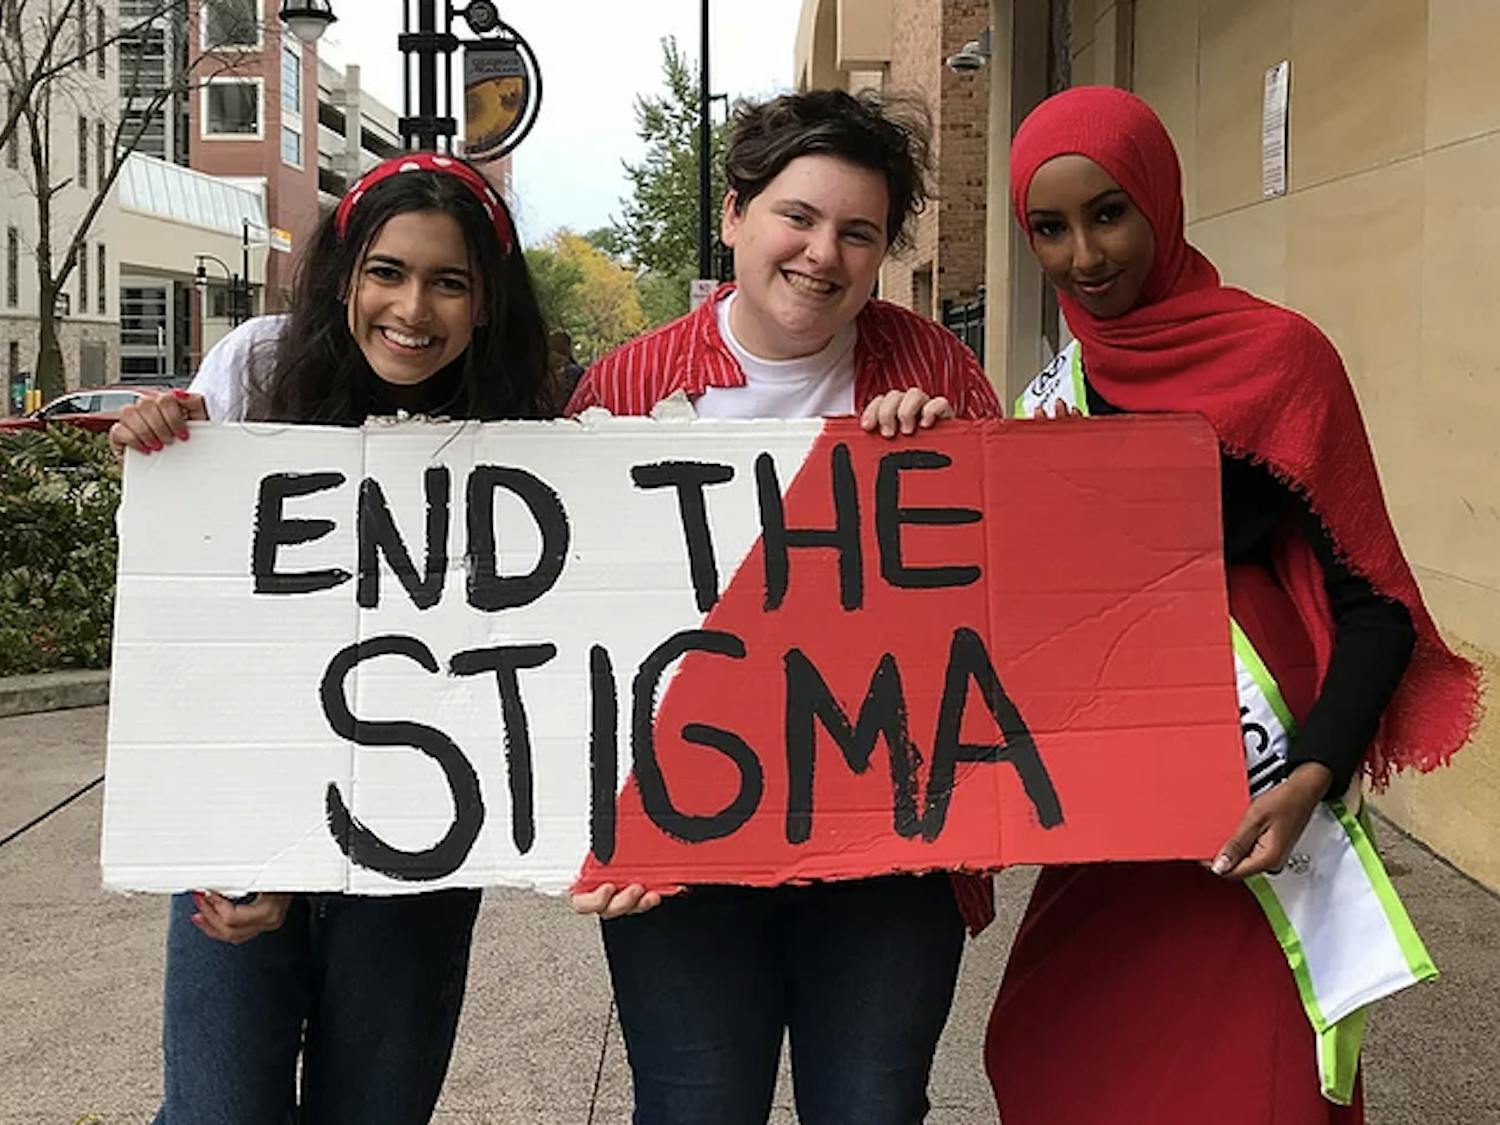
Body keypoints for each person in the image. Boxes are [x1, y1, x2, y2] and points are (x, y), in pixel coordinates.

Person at [986, 86, 1481, 1125]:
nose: (1085, 255)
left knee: (1246, 1087)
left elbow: (1375, 605)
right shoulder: (1055, 397)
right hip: (1119, 813)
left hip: (1256, 800)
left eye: (1108, 213)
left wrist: (1310, 774)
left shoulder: (1282, 358)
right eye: (1051, 227)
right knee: (1049, 1045)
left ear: (1161, 201)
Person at [566, 88, 1003, 1124]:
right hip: (685, 852)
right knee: (692, 1107)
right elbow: (566, 636)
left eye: (859, 233)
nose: (823, 254)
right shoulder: (625, 388)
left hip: (888, 850)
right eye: (798, 218)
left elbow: (1018, 593)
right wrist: (596, 828)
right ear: (734, 216)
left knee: (872, 1107)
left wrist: (956, 465)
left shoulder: (935, 366)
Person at [109, 151, 555, 1124]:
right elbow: (192, 619)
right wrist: (164, 446)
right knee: (218, 1111)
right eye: (387, 271)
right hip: (241, 822)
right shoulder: (257, 367)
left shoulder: (524, 426)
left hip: (422, 843)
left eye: (450, 282)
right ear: (345, 274)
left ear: (486, 303)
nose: (413, 307)